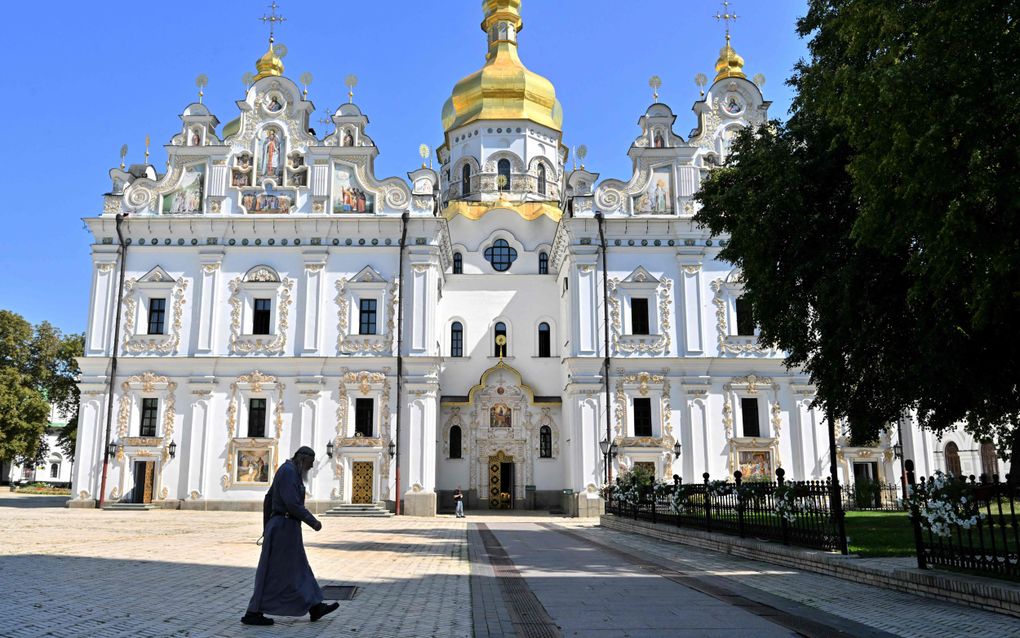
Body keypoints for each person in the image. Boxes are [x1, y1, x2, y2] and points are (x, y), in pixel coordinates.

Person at [241, 447, 339, 626]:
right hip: (284, 527)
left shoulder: (290, 471)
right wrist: (313, 522)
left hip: (286, 528)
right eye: (309, 465)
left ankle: (315, 606)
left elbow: (269, 499)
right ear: (302, 459)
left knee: (299, 568)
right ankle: (253, 612)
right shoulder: (288, 472)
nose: (309, 469)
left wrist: (268, 527)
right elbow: (292, 504)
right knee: (273, 571)